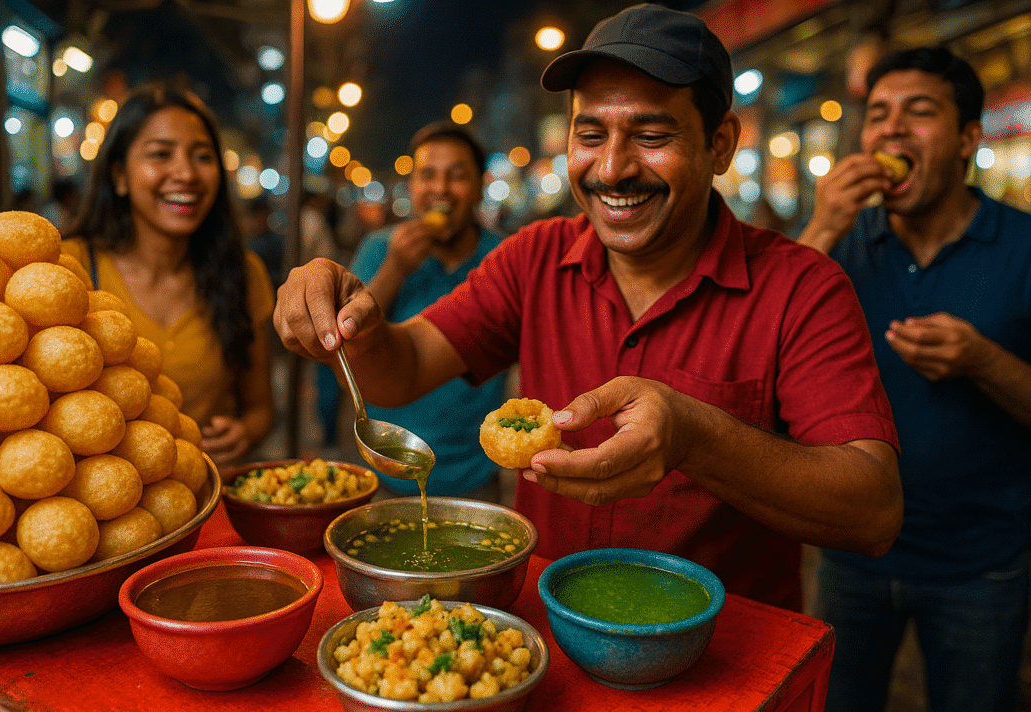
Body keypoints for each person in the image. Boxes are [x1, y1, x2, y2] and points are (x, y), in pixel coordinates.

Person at [273, 3, 902, 611]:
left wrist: (694, 435)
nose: (612, 169)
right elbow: (401, 368)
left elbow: (872, 511)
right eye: (590, 134)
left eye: (652, 136)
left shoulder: (802, 287)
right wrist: (349, 316)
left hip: (722, 659)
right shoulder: (535, 258)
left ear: (720, 145)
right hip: (547, 637)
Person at [798, 47, 1031, 712]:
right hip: (852, 550)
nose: (891, 130)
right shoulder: (841, 245)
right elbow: (755, 350)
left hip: (981, 564)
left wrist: (983, 361)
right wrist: (824, 225)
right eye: (878, 115)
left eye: (919, 112)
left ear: (969, 137)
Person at [62, 82, 275, 466]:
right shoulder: (69, 270)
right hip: (107, 510)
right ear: (119, 175)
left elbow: (260, 408)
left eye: (202, 156)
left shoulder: (243, 273)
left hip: (210, 495)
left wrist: (244, 433)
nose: (186, 173)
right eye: (161, 154)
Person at [348, 121, 507, 500]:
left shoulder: (504, 258)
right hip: (388, 470)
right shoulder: (379, 248)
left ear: (479, 186)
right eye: (428, 175)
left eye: (457, 176)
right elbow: (346, 343)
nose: (440, 189)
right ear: (413, 185)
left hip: (475, 475)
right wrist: (395, 269)